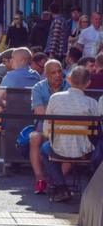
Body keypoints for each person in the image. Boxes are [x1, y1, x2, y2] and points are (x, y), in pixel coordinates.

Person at [41, 66, 99, 202]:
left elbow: (46, 129)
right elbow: (97, 131)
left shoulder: (55, 98)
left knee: (44, 149)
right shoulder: (92, 103)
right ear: (88, 83)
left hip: (58, 150)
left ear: (69, 79)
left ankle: (61, 187)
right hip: (84, 151)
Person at [30, 60, 70, 194]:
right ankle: (40, 178)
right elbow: (39, 113)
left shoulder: (70, 86)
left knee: (72, 142)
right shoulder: (38, 87)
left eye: (60, 71)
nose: (58, 75)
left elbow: (72, 111)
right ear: (46, 75)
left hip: (65, 130)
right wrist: (60, 108)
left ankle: (56, 181)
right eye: (53, 72)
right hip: (44, 128)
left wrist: (50, 108)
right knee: (34, 137)